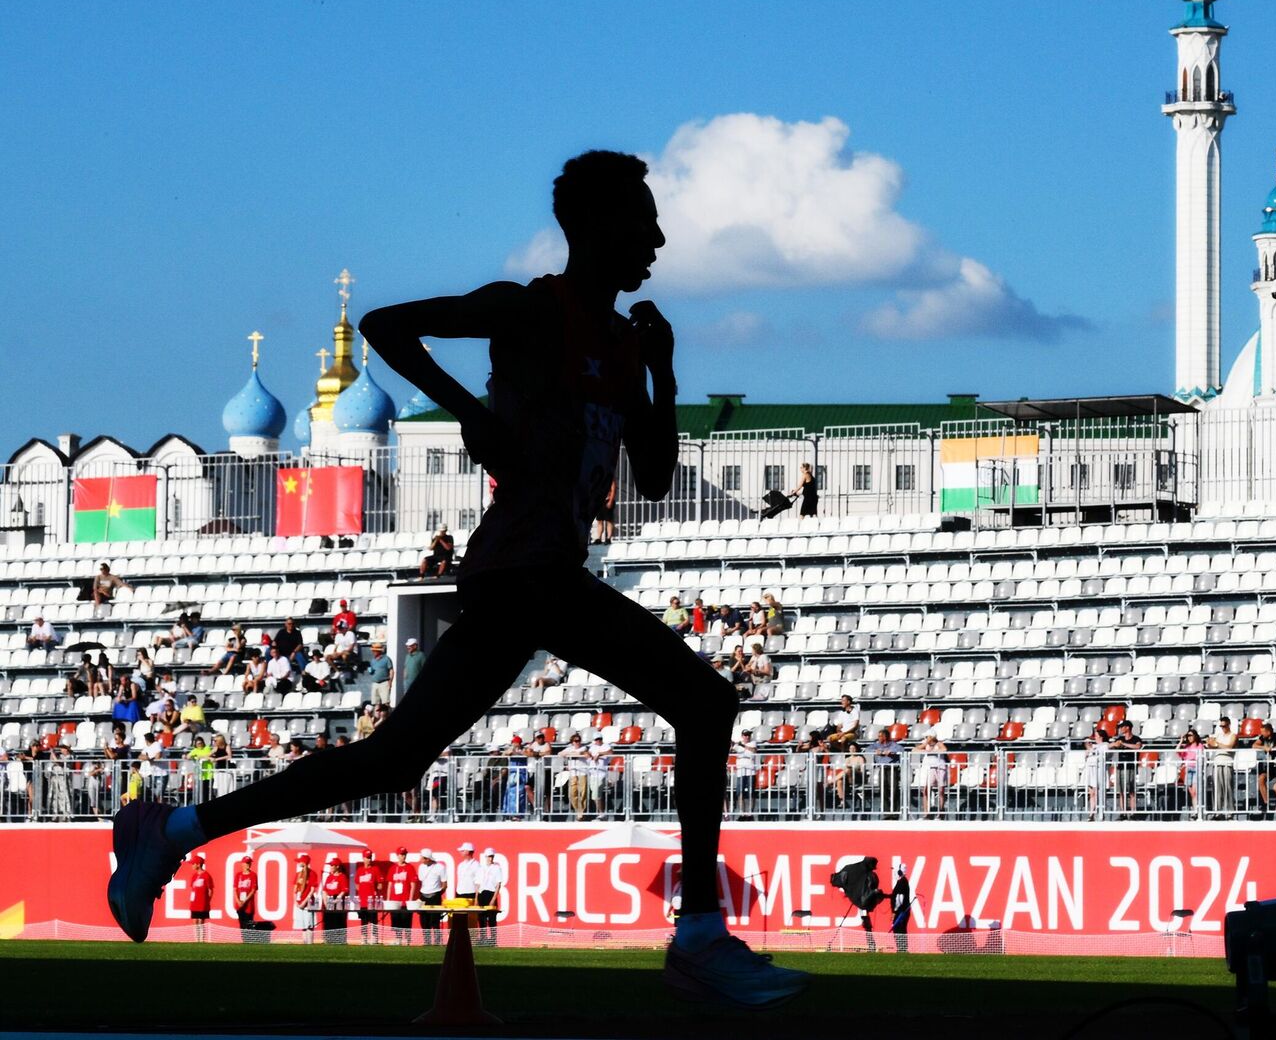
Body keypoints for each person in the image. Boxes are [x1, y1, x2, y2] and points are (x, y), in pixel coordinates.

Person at [103, 151, 801, 1009]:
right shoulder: (527, 310)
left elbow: (653, 478)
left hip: (534, 578)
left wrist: (661, 369)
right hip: (524, 571)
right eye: (642, 219)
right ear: (595, 228)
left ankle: (171, 833)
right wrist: (471, 411)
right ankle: (697, 933)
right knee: (705, 702)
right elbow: (387, 328)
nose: (657, 238)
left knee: (396, 758)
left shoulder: (623, 344)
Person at [1204, 715, 1238, 817]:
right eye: (1221, 726)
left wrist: (1217, 744)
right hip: (1217, 762)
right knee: (1217, 789)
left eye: (1225, 726)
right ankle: (1217, 812)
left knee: (1227, 787)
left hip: (1227, 762)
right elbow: (1212, 747)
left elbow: (1230, 747)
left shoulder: (1233, 735)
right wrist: (1209, 744)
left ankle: (1230, 812)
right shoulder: (1218, 736)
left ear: (1229, 725)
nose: (1223, 728)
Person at [1109, 720, 1143, 817]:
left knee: (1131, 791)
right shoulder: (1120, 738)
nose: (1120, 729)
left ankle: (1132, 813)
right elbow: (1111, 746)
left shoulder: (1136, 738)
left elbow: (1137, 746)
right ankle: (1122, 813)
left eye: (1122, 727)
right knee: (1121, 791)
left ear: (1127, 727)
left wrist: (1124, 744)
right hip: (1120, 767)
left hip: (1130, 767)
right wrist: (1115, 744)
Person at [868, 727, 903, 817]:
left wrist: (892, 752)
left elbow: (901, 749)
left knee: (894, 790)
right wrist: (876, 751)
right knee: (883, 790)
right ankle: (886, 813)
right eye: (878, 736)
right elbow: (867, 749)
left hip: (892, 768)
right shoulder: (876, 744)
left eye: (880, 736)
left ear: (885, 737)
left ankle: (895, 812)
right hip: (882, 768)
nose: (879, 738)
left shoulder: (893, 744)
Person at [477, 848, 508, 946]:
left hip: (491, 893)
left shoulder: (496, 868)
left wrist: (494, 899)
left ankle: (493, 940)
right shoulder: (481, 868)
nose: (490, 859)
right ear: (485, 857)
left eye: (491, 856)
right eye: (488, 856)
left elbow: (498, 884)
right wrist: (476, 898)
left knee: (491, 918)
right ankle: (482, 939)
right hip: (482, 893)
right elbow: (478, 885)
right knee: (481, 918)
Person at [385, 849, 416, 945]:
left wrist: (410, 900)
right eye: (401, 855)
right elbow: (389, 885)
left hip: (405, 899)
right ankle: (398, 939)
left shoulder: (410, 868)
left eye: (404, 855)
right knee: (396, 920)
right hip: (395, 900)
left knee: (406, 919)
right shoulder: (393, 868)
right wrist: (388, 900)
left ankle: (407, 939)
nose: (403, 856)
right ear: (397, 855)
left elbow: (413, 885)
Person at [355, 849, 386, 944]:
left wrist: (374, 888)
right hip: (362, 900)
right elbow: (357, 884)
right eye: (367, 858)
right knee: (363, 921)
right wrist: (362, 890)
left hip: (372, 900)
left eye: (370, 858)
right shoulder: (359, 870)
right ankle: (363, 939)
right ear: (363, 858)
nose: (369, 860)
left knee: (373, 920)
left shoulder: (375, 869)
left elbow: (380, 884)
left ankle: (374, 939)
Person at [417, 850, 448, 946]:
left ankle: (438, 941)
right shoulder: (421, 867)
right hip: (423, 896)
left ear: (427, 859)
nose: (421, 860)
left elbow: (445, 884)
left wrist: (438, 894)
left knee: (435, 921)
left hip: (435, 896)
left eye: (422, 858)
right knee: (424, 920)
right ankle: (427, 941)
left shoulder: (440, 867)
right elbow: (420, 882)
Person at [184, 853, 214, 942]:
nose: (192, 866)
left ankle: (202, 940)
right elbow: (192, 889)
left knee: (201, 922)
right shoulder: (194, 876)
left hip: (203, 903)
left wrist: (207, 901)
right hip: (194, 903)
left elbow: (210, 890)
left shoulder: (206, 875)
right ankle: (196, 940)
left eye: (193, 864)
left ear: (198, 864)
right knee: (195, 922)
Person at [319, 859, 349, 944]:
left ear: (337, 866)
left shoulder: (342, 876)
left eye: (332, 865)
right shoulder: (329, 877)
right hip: (329, 901)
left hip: (338, 901)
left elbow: (344, 890)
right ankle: (328, 940)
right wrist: (325, 902)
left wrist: (337, 899)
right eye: (330, 865)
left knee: (338, 921)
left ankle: (339, 940)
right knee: (328, 921)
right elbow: (325, 890)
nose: (331, 867)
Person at [1083, 727, 1110, 819]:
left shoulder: (1105, 745)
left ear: (1101, 737)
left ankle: (1101, 813)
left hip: (1099, 770)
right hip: (1091, 769)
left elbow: (1101, 755)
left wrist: (1091, 750)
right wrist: (1088, 750)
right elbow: (1086, 756)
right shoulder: (1093, 746)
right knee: (1092, 793)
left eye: (1096, 736)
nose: (1095, 737)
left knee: (1099, 792)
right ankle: (1091, 814)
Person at [729, 730, 758, 815]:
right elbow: (733, 750)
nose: (747, 737)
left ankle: (750, 812)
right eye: (745, 735)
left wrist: (743, 746)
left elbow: (753, 751)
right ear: (742, 736)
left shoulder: (753, 742)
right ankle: (742, 811)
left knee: (751, 791)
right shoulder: (738, 744)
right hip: (741, 769)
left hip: (750, 770)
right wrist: (734, 745)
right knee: (740, 791)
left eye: (748, 735)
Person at [1176, 727, 1204, 815]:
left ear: (1195, 736)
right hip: (1188, 769)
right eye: (1188, 736)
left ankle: (1195, 811)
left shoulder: (1199, 745)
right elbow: (1177, 751)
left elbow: (1199, 757)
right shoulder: (1186, 746)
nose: (1189, 737)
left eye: (1191, 735)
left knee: (1195, 791)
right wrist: (1181, 740)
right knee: (1191, 792)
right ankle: (1195, 809)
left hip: (1196, 768)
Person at [231, 853, 259, 937]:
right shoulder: (238, 875)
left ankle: (250, 940)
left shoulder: (253, 875)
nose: (248, 864)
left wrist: (245, 900)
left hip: (248, 904)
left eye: (249, 863)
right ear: (242, 864)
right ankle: (244, 939)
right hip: (239, 904)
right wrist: (238, 901)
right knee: (242, 923)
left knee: (249, 923)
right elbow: (235, 889)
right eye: (246, 863)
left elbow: (253, 890)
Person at [592, 478, 618, 545]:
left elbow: (613, 490)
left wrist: (610, 501)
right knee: (599, 521)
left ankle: (608, 538)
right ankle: (599, 538)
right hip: (600, 502)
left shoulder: (611, 479)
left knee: (609, 520)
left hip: (608, 500)